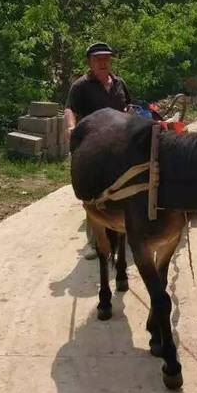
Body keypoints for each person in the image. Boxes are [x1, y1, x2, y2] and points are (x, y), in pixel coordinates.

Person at [65, 42, 131, 259]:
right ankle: (95, 243)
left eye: (106, 59)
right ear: (90, 63)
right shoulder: (81, 86)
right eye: (97, 59)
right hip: (94, 147)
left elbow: (127, 108)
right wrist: (71, 128)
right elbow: (69, 109)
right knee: (93, 195)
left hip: (119, 146)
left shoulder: (119, 83)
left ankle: (123, 231)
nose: (103, 63)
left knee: (121, 189)